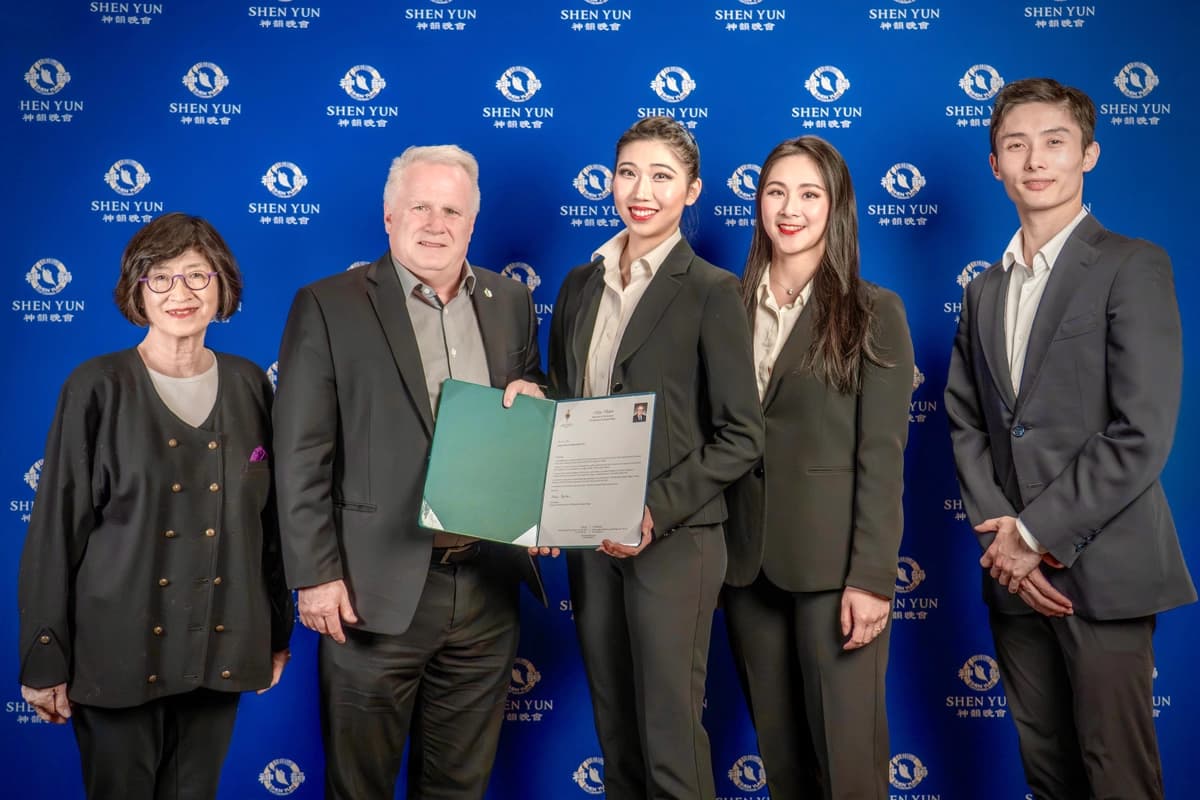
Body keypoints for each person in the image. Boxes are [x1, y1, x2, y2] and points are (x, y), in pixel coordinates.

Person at [945, 77, 1196, 799]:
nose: (1035, 160)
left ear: (1089, 154)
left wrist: (1036, 534)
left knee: (1117, 776)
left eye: (1054, 143)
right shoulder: (983, 289)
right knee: (1049, 776)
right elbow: (968, 422)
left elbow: (1142, 431)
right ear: (994, 163)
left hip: (1103, 571)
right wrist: (1007, 547)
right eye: (1015, 145)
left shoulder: (1131, 264)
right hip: (1014, 580)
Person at [272, 144, 547, 800]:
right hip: (372, 591)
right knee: (359, 786)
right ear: (389, 216)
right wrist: (314, 578)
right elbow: (300, 453)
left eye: (452, 209)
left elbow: (527, 410)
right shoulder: (328, 304)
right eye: (420, 206)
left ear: (472, 224)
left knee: (458, 786)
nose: (436, 222)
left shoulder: (510, 300)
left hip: (485, 584)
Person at [17, 212, 293, 799]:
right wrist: (45, 657)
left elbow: (268, 524)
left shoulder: (250, 385)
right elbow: (53, 531)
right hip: (116, 650)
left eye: (197, 276)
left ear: (223, 288)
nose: (180, 293)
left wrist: (275, 631)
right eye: (160, 278)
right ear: (136, 290)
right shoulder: (96, 385)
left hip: (220, 645)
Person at [547, 117, 764, 800]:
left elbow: (741, 434)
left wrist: (654, 509)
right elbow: (568, 404)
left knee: (669, 737)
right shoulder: (580, 284)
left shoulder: (710, 290)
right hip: (589, 538)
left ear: (693, 190)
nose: (641, 191)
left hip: (673, 542)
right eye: (629, 173)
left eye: (662, 176)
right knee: (617, 734)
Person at [722, 136, 914, 799]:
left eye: (809, 194)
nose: (790, 208)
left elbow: (882, 456)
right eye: (776, 191)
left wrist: (872, 577)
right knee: (783, 764)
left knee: (849, 765)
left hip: (836, 574)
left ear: (836, 208)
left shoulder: (872, 311)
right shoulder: (725, 307)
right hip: (743, 565)